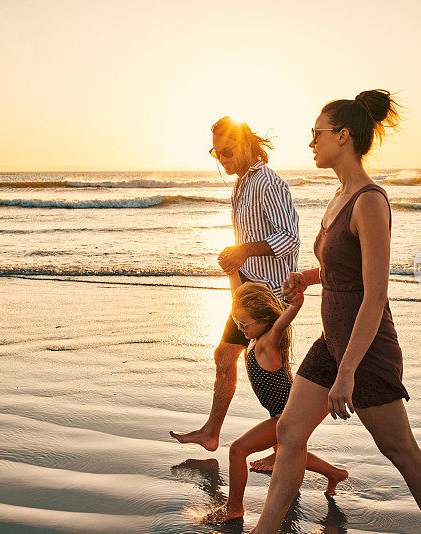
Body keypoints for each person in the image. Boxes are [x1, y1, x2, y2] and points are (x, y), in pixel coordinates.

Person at [249, 91, 421, 533]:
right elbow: (343, 272)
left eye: (316, 134)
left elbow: (374, 295)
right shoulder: (339, 195)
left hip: (367, 346)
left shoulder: (369, 201)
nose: (311, 143)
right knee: (289, 433)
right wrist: (309, 276)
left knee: (400, 450)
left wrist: (347, 374)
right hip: (332, 341)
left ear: (342, 136)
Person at [170, 117, 301, 468]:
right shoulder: (243, 183)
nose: (222, 159)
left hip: (271, 296)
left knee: (273, 370)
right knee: (225, 356)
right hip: (248, 290)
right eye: (216, 152)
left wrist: (243, 251)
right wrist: (236, 266)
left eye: (227, 151)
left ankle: (283, 448)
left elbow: (289, 239)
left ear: (245, 145)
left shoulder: (267, 183)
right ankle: (212, 432)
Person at [203, 278, 347, 523]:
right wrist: (233, 272)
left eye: (244, 324)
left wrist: (295, 305)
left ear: (264, 321)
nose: (239, 328)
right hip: (279, 414)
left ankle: (234, 507)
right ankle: (335, 473)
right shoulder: (253, 337)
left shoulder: (269, 340)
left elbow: (280, 325)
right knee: (288, 453)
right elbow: (239, 296)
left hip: (287, 416)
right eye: (237, 322)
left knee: (238, 450)